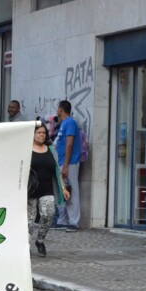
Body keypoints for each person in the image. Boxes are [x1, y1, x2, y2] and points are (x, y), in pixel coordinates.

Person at [29, 123, 69, 257]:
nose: (41, 135)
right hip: (30, 190)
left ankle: (40, 240)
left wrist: (63, 188)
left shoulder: (51, 149)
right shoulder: (26, 149)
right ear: (33, 134)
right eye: (39, 132)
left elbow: (57, 171)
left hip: (47, 188)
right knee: (29, 221)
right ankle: (26, 245)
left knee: (49, 214)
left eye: (44, 133)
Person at [54, 99, 81, 231]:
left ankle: (73, 222)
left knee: (72, 190)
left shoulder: (70, 122)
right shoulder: (63, 123)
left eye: (58, 108)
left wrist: (65, 165)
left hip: (69, 162)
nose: (56, 110)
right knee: (63, 190)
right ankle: (62, 220)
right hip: (61, 162)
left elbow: (69, 144)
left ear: (61, 109)